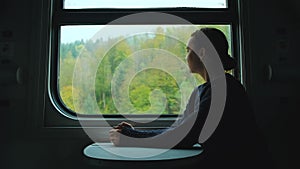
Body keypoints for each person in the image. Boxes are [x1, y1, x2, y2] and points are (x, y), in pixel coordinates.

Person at [109, 28, 271, 167]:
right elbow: (176, 131)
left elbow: (184, 137)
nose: (186, 56)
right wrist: (133, 132)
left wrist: (133, 139)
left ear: (202, 52)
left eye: (188, 50)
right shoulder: (203, 90)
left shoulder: (225, 90)